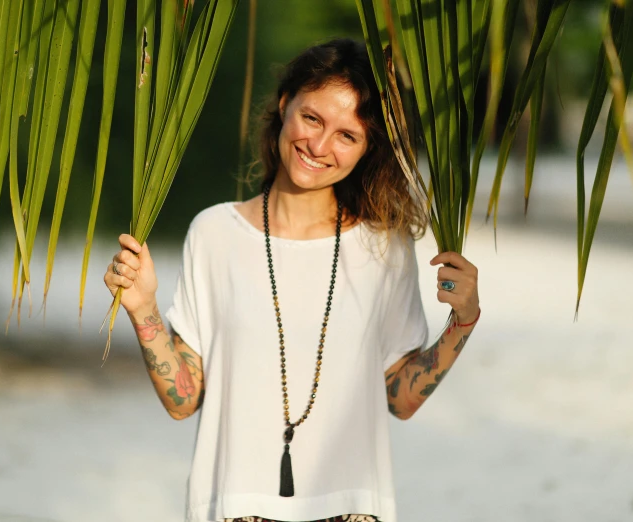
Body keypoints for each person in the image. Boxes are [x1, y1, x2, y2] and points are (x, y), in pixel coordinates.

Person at [104, 38, 481, 522]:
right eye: (313, 119)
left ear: (367, 149)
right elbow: (184, 400)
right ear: (285, 105)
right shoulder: (215, 233)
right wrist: (143, 309)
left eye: (348, 136)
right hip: (237, 506)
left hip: (351, 507)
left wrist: (463, 320)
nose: (320, 146)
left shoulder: (383, 247)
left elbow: (400, 397)